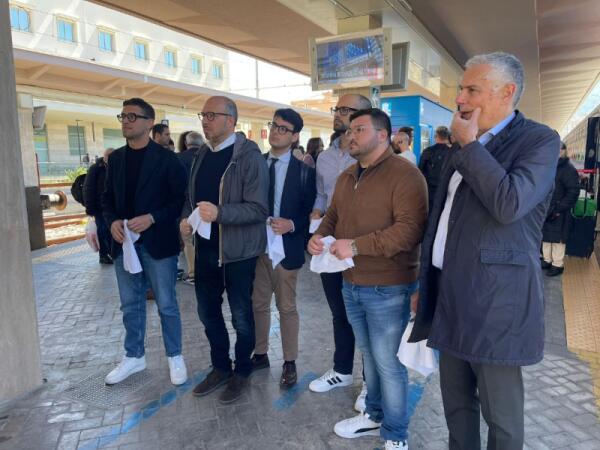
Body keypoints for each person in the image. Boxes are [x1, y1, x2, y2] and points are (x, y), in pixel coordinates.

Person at [409, 52, 560, 450]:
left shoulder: (539, 140)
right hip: (449, 292)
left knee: (502, 417)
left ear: (507, 92)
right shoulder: (464, 145)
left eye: (472, 90)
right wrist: (426, 284)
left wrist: (471, 145)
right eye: (461, 89)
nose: (460, 99)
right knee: (457, 405)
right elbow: (444, 219)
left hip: (497, 303)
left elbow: (509, 203)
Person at [308, 108, 427, 450]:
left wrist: (357, 246)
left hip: (389, 287)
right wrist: (319, 235)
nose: (350, 135)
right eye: (349, 130)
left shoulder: (405, 175)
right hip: (351, 283)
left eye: (359, 129)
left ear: (383, 135)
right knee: (370, 357)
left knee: (388, 363)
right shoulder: (348, 176)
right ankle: (374, 415)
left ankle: (396, 434)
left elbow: (409, 231)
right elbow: (333, 215)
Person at [180, 96, 269, 404]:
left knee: (241, 316)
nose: (205, 121)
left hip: (238, 253)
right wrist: (185, 219)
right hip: (205, 249)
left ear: (230, 120)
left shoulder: (249, 157)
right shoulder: (202, 154)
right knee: (207, 313)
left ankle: (242, 370)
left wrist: (220, 213)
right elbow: (190, 198)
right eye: (203, 115)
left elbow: (259, 209)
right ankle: (220, 367)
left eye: (211, 115)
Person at [102, 98, 188, 386]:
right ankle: (134, 356)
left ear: (149, 123)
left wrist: (152, 217)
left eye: (132, 116)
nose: (126, 121)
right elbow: (106, 199)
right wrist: (112, 221)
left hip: (157, 244)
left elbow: (179, 201)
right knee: (130, 304)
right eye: (123, 116)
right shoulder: (116, 159)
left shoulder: (167, 160)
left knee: (166, 304)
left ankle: (175, 355)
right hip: (124, 243)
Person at [309, 94, 371, 408]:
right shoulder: (325, 157)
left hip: (363, 247)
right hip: (331, 245)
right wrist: (317, 214)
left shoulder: (372, 156)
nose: (338, 113)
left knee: (367, 316)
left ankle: (371, 382)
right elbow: (323, 195)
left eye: (345, 109)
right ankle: (342, 370)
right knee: (339, 312)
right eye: (337, 109)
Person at [251, 109, 316, 388]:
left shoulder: (304, 173)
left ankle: (289, 361)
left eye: (283, 128)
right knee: (258, 303)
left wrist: (292, 224)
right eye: (274, 126)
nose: (276, 132)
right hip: (256, 247)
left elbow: (310, 211)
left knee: (286, 306)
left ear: (295, 136)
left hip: (286, 248)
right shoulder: (255, 165)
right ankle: (260, 353)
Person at [541, 141, 580, 276]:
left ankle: (557, 264)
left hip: (560, 210)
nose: (556, 152)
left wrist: (559, 208)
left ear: (564, 151)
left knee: (558, 239)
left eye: (560, 149)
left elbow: (573, 192)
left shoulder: (568, 169)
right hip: (548, 208)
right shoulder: (549, 166)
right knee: (546, 237)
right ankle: (547, 260)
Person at [178, 131, 206, 284]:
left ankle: (193, 273)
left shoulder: (178, 158)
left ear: (186, 143)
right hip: (206, 206)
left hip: (185, 206)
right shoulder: (207, 157)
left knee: (188, 240)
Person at [84, 147, 114, 264]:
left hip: (111, 207)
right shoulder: (96, 168)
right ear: (105, 156)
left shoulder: (116, 167)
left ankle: (111, 253)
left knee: (111, 230)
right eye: (109, 156)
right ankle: (103, 255)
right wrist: (90, 209)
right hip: (99, 207)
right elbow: (88, 188)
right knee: (102, 231)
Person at [419, 126, 452, 210]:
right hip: (446, 191)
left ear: (436, 136)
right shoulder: (452, 152)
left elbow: (420, 171)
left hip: (429, 190)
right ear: (448, 137)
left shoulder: (428, 151)